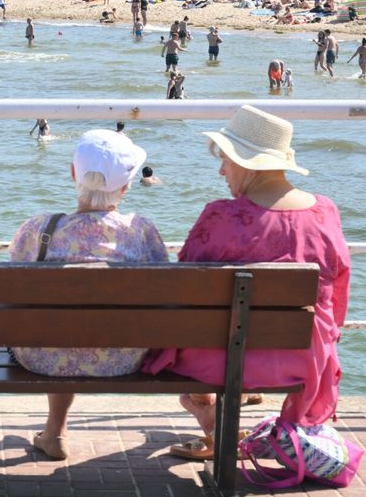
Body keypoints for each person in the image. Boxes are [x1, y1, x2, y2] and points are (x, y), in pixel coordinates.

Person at [143, 105, 350, 461]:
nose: (222, 169)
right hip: (302, 358)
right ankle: (218, 418)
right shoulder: (325, 212)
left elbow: (185, 289)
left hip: (214, 360)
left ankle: (209, 412)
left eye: (226, 159)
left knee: (204, 333)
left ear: (247, 162)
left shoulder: (220, 216)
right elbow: (337, 297)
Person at [10, 130, 167, 460]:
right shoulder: (141, 231)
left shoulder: (38, 229)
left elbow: (13, 284)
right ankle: (54, 430)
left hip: (42, 357)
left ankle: (55, 431)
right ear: (125, 187)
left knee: (57, 324)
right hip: (122, 357)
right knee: (76, 324)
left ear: (72, 174)